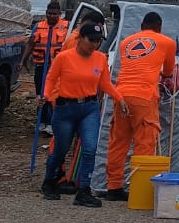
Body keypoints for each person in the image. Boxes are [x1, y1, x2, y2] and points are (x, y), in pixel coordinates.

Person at [40, 22, 127, 207]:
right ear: (80, 39)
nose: (94, 44)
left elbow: (105, 83)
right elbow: (51, 78)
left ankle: (84, 190)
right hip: (65, 108)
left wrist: (119, 98)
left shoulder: (100, 58)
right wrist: (46, 96)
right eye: (91, 40)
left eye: (98, 41)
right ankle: (49, 181)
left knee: (90, 148)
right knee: (61, 149)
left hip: (89, 107)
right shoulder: (64, 57)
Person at [103, 11, 178, 201]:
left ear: (141, 26)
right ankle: (138, 189)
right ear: (159, 28)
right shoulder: (167, 42)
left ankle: (113, 187)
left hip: (121, 95)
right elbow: (169, 72)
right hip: (144, 97)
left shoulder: (125, 42)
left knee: (118, 142)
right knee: (144, 142)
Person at [23, 0, 68, 137]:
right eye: (50, 13)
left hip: (58, 67)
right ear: (46, 13)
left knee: (53, 95)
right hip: (42, 66)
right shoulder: (39, 26)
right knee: (41, 94)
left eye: (55, 14)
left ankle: (51, 123)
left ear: (59, 14)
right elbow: (30, 44)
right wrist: (23, 60)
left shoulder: (66, 27)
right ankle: (41, 121)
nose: (52, 16)